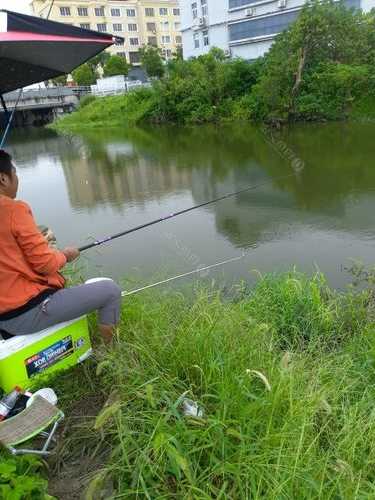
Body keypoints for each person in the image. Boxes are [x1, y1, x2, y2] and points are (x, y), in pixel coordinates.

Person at [0, 150, 121, 343]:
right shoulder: (14, 209)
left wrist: (41, 243)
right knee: (110, 291)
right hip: (23, 313)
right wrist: (65, 255)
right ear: (4, 179)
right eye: (14, 172)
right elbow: (45, 265)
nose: (17, 178)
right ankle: (113, 355)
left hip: (5, 314)